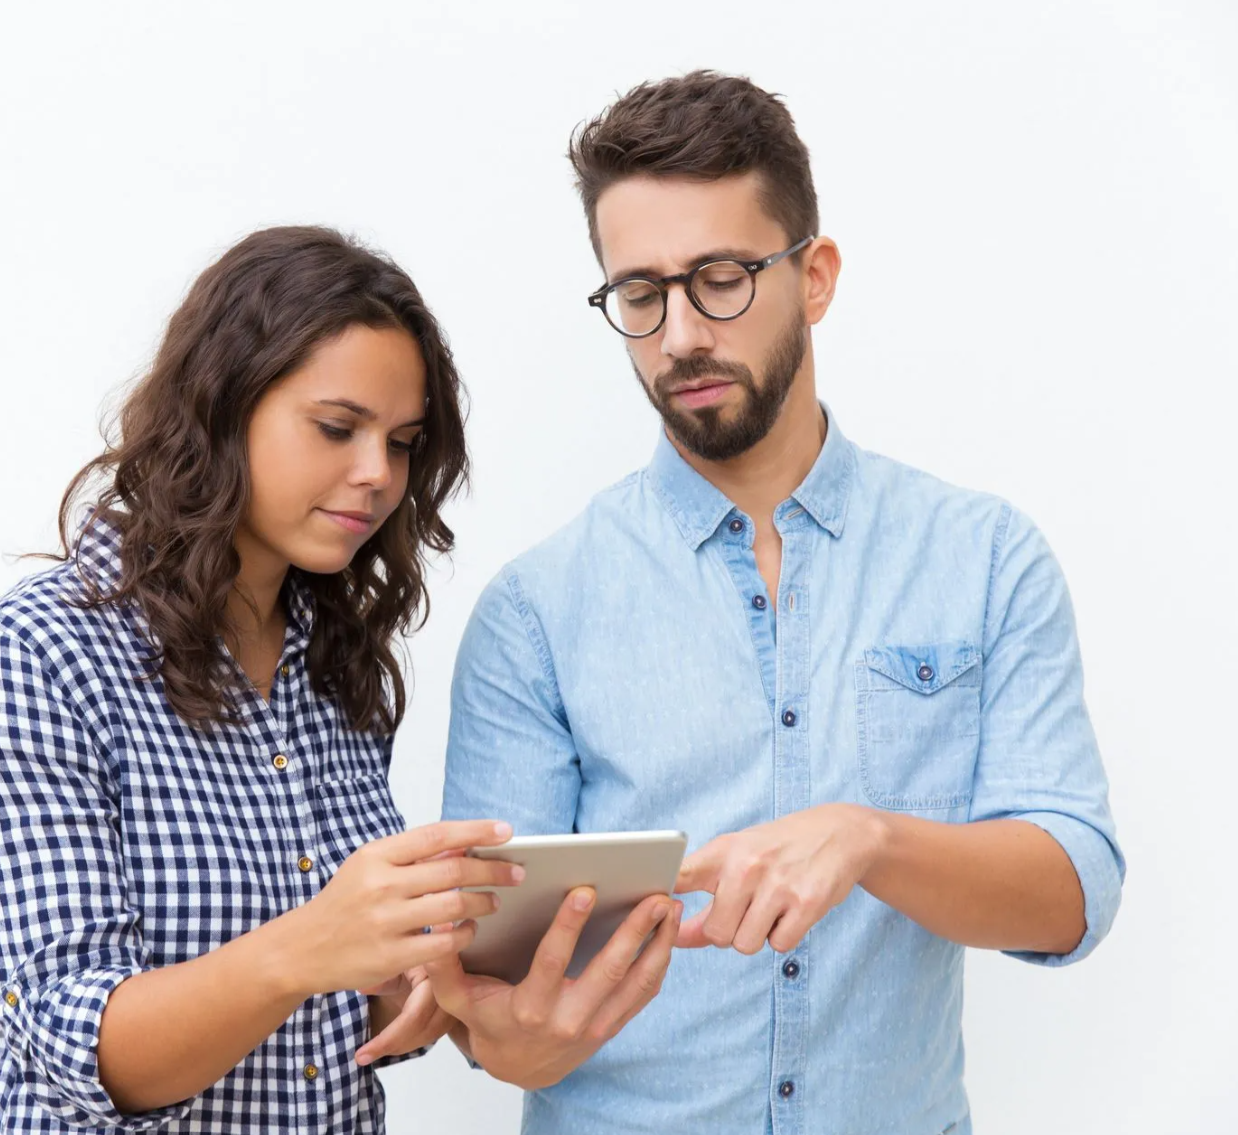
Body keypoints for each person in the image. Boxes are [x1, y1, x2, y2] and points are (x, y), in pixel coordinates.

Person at [432, 71, 1125, 1135]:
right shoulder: (534, 612)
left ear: (815, 277)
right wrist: (498, 1034)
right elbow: (489, 991)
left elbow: (1072, 895)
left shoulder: (984, 558)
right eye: (640, 294)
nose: (678, 336)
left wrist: (868, 839)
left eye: (719, 279)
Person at [0, 225, 671, 1134]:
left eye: (402, 442)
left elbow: (333, 1018)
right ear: (221, 405)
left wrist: (424, 980)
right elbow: (74, 1047)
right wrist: (312, 945)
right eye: (335, 428)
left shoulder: (331, 659)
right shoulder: (37, 655)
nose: (377, 475)